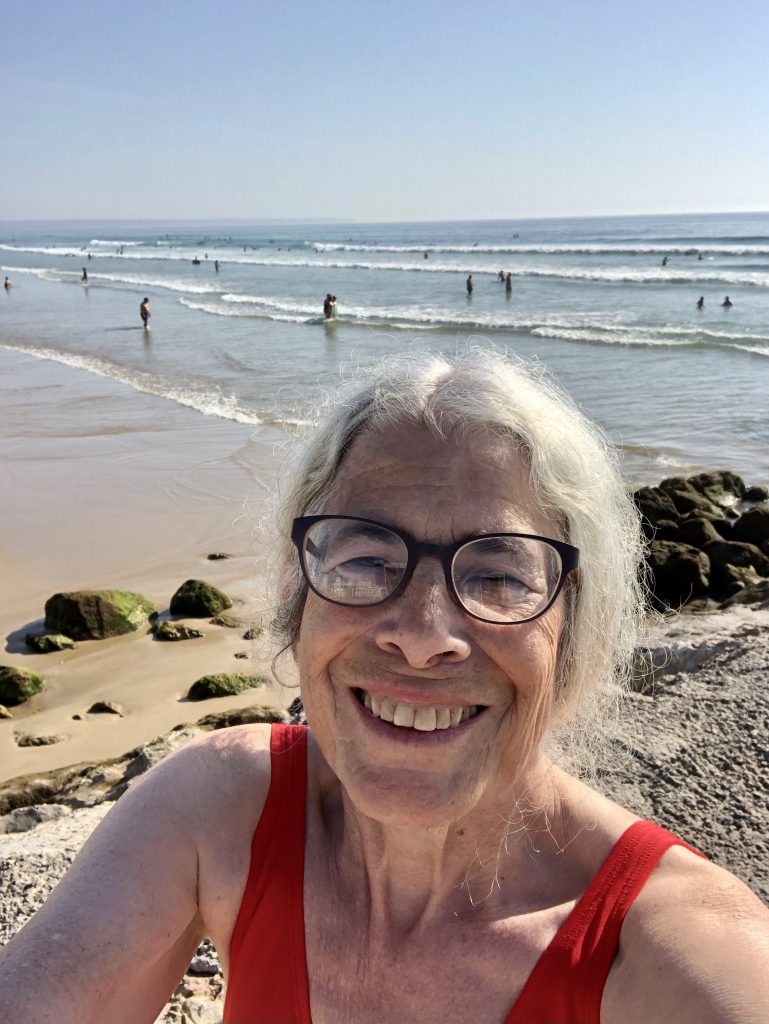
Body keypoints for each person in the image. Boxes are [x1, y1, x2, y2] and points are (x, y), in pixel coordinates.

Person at [1, 350, 768, 1023]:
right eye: (365, 559)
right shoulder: (224, 805)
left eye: (498, 575)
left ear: (574, 628)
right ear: (296, 594)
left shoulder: (672, 949)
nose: (424, 634)